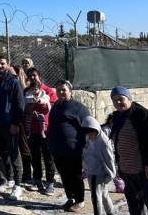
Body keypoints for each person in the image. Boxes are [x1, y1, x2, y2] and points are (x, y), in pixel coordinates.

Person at [110, 86, 148, 215]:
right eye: (115, 100)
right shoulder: (118, 117)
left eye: (121, 99)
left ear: (129, 99)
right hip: (129, 171)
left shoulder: (144, 116)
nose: (118, 102)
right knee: (135, 208)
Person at [47, 80, 90, 212]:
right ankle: (70, 198)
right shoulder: (56, 106)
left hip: (74, 150)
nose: (60, 92)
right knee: (64, 176)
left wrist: (85, 147)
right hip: (58, 150)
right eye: (58, 90)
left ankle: (80, 201)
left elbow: (88, 127)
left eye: (63, 90)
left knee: (75, 176)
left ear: (70, 91)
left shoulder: (79, 108)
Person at [0, 57, 24, 200]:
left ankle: (18, 185)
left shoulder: (14, 82)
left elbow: (20, 104)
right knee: (3, 154)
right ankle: (9, 180)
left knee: (14, 155)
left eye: (2, 64)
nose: (0, 66)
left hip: (10, 126)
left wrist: (16, 123)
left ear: (7, 65)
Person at [23, 74, 56, 195]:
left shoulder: (48, 91)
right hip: (32, 130)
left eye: (34, 75)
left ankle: (50, 182)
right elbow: (23, 106)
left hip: (46, 130)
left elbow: (51, 106)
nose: (32, 78)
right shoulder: (26, 91)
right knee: (35, 156)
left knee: (48, 157)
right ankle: (37, 180)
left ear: (39, 77)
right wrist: (31, 110)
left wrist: (40, 105)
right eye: (30, 76)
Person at [81, 116, 116, 215]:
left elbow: (109, 160)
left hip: (97, 174)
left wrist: (110, 175)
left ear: (96, 129)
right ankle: (111, 213)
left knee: (96, 198)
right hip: (92, 171)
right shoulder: (89, 137)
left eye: (92, 134)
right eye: (88, 134)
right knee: (104, 195)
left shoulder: (103, 143)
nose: (90, 136)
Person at [100, 112, 125, 193]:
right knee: (97, 169)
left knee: (116, 170)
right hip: (106, 153)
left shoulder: (115, 129)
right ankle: (80, 176)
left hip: (113, 153)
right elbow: (105, 143)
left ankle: (119, 187)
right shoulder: (105, 130)